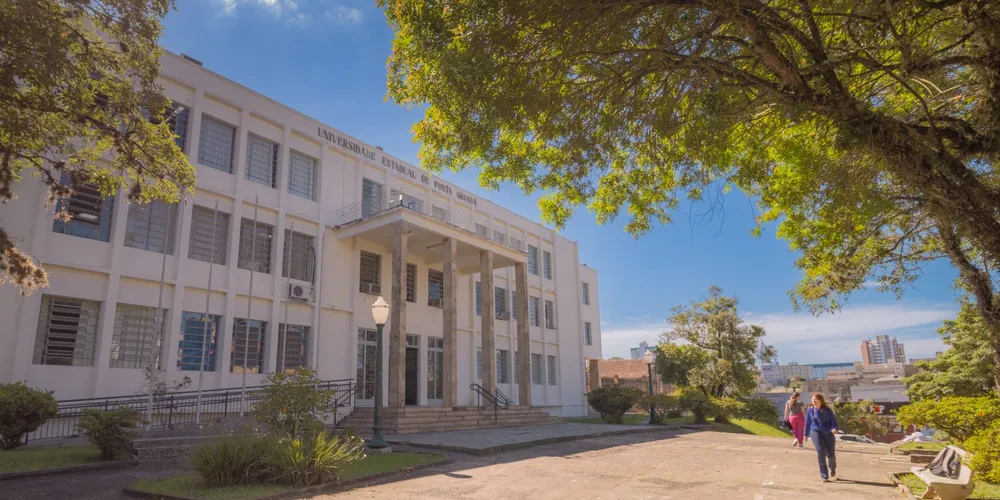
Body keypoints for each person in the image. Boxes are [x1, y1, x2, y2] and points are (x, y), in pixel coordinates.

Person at [804, 393, 839, 482]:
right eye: (812, 399)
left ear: (820, 400)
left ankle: (832, 468)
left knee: (831, 455)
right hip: (815, 431)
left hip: (827, 432)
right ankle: (824, 475)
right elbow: (807, 423)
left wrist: (834, 428)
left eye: (816, 399)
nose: (814, 401)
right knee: (820, 451)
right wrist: (806, 434)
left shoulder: (827, 410)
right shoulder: (810, 410)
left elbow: (833, 422)